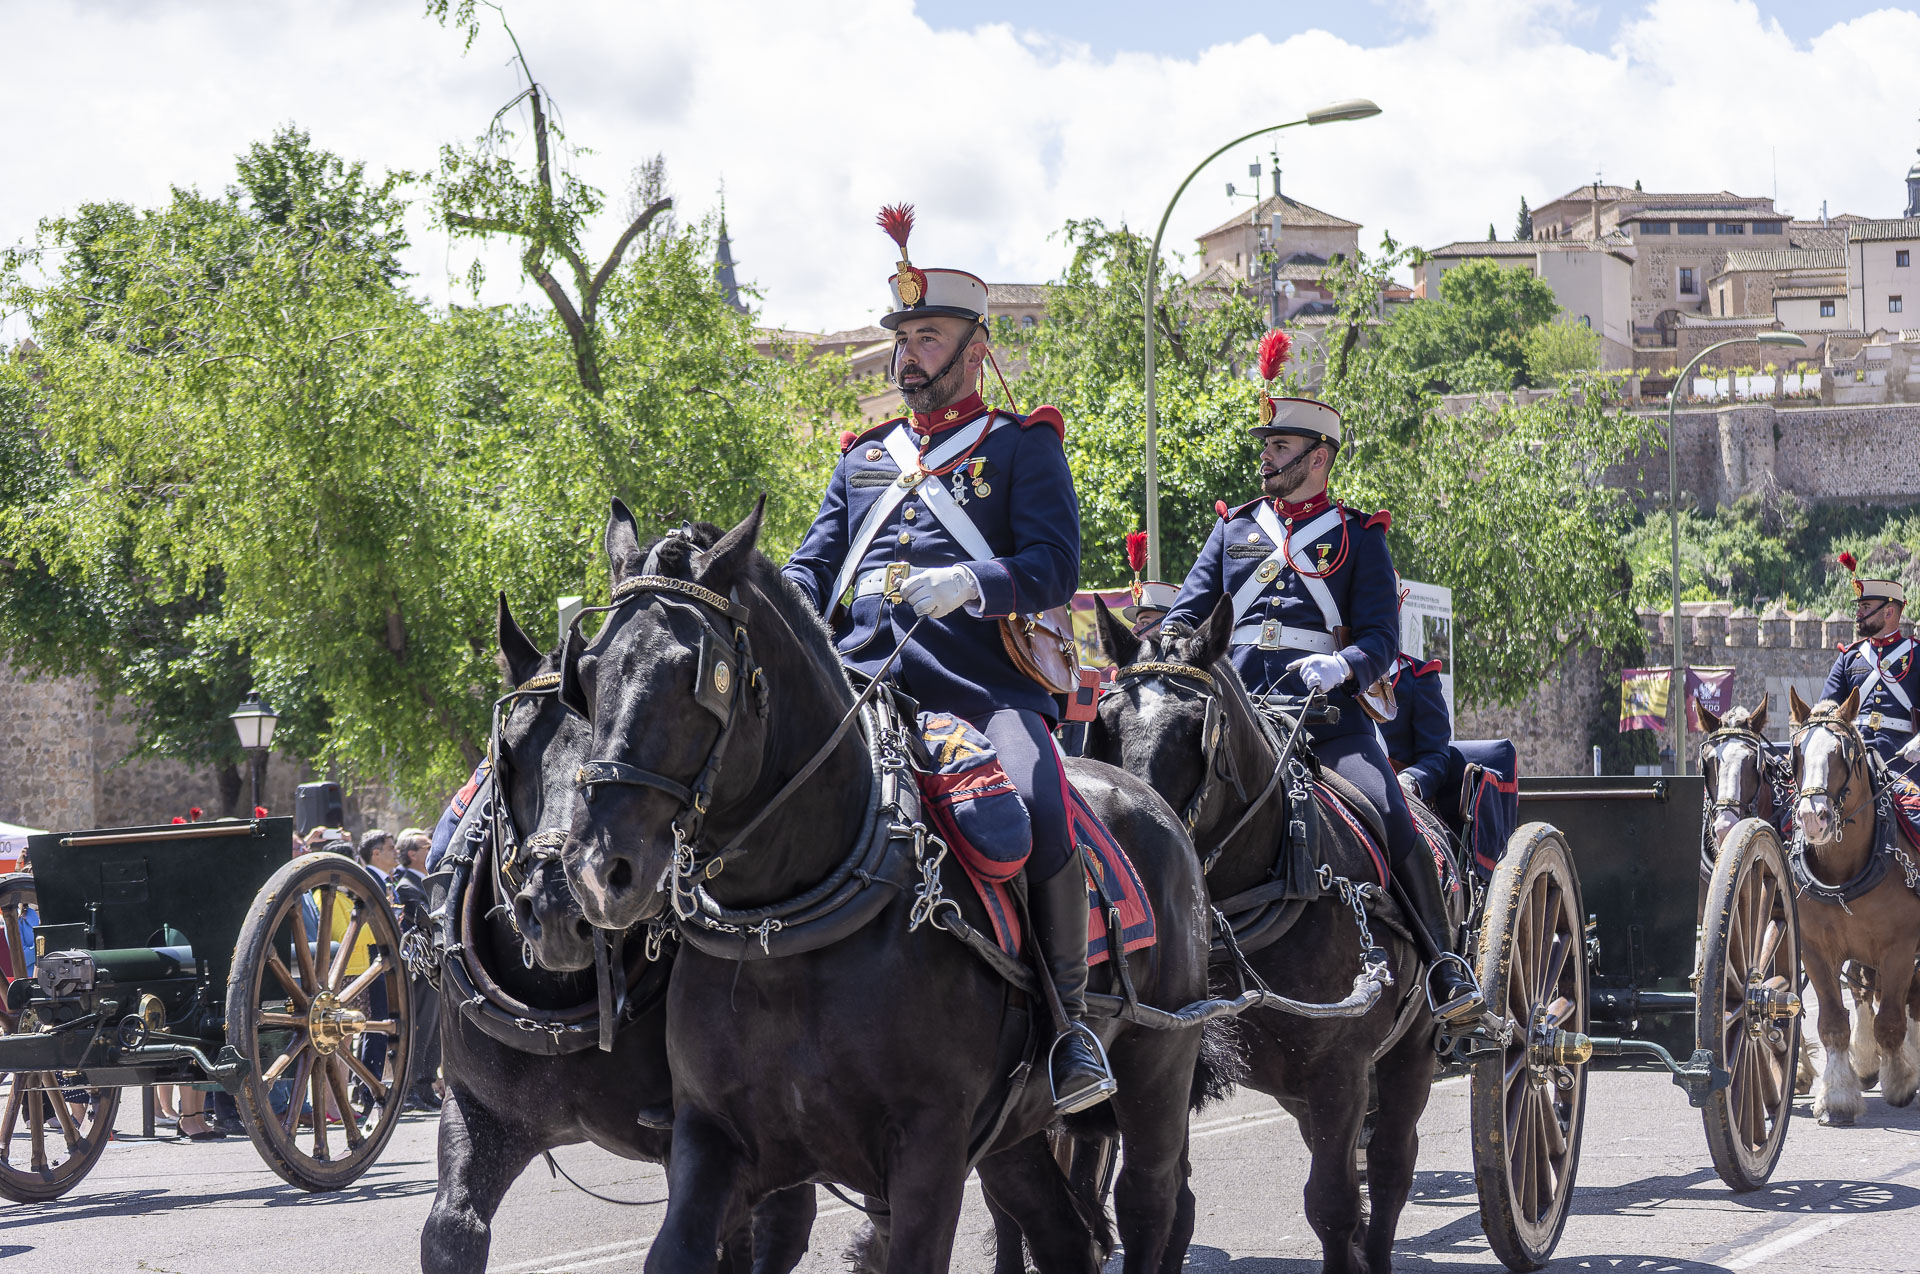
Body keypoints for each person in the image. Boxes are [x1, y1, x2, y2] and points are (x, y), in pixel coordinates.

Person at [782, 204, 1112, 1113]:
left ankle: (1068, 1028)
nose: (908, 355)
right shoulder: (862, 460)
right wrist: (774, 599)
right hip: (858, 681)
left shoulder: (1020, 446)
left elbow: (1054, 566)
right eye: (903, 338)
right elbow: (812, 566)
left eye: (928, 337)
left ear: (974, 349)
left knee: (1041, 803)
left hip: (980, 687)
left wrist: (971, 581)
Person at [1161, 328, 1484, 1025]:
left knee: (1388, 813)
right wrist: (1163, 649)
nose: (1265, 458)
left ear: (1318, 457)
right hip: (1238, 716)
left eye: (1279, 448)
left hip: (1327, 725)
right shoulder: (1233, 531)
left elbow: (1381, 639)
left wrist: (1342, 666)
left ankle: (1443, 965)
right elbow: (1186, 615)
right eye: (1266, 446)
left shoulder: (1359, 536)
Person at [1822, 562, 1920, 780]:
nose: (1858, 614)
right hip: (1853, 762)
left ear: (1889, 612)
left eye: (1865, 607)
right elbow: (1826, 709)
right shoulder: (1849, 657)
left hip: (1904, 763)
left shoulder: (1916, 654)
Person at [1381, 652, 1461, 819]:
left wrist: (1409, 781)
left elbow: (1436, 757)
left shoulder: (1417, 678)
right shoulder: (1335, 676)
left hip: (1399, 799)